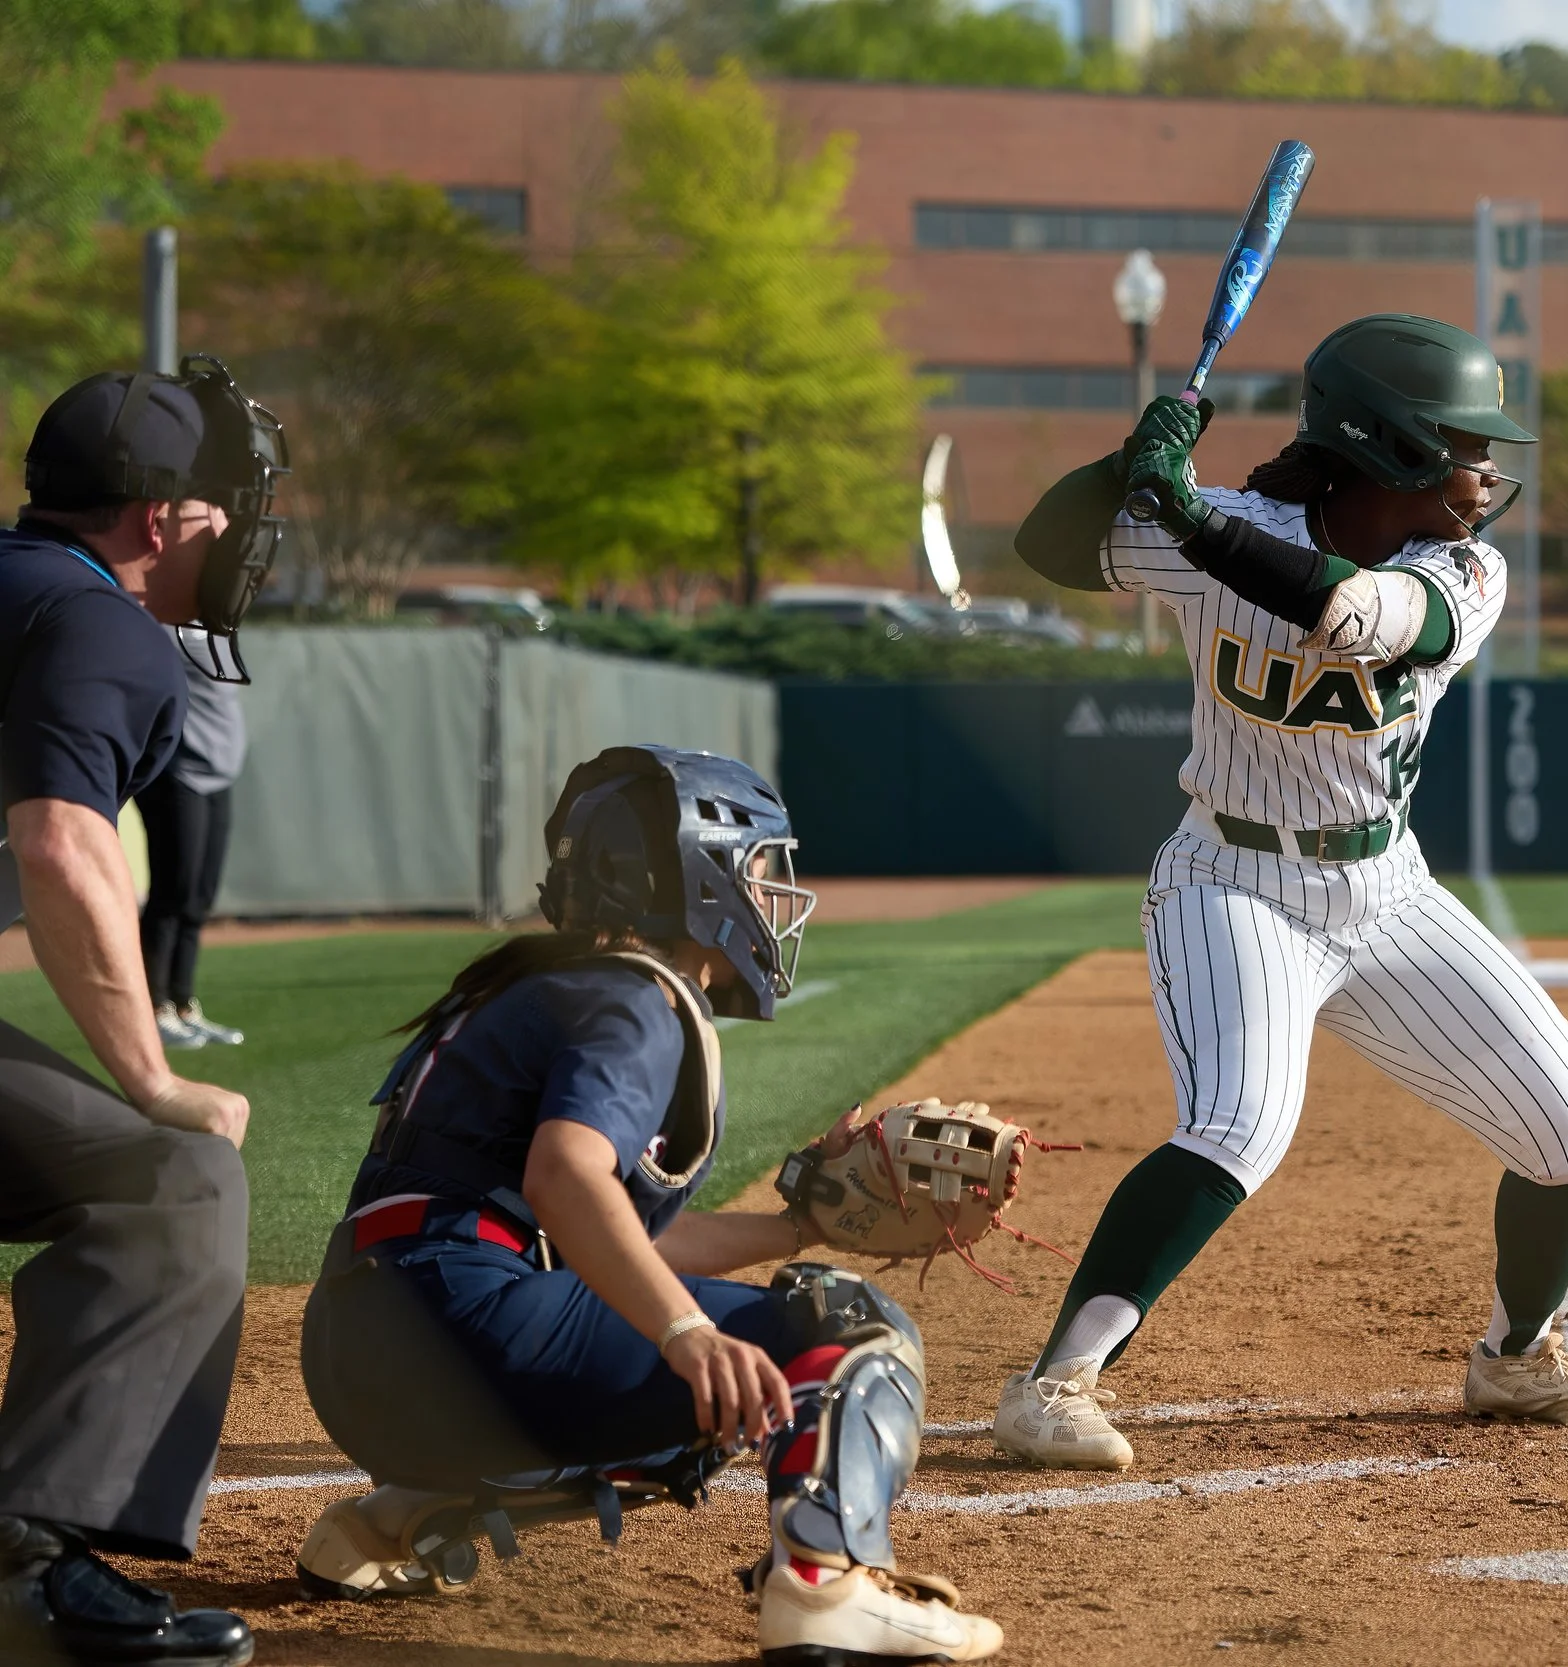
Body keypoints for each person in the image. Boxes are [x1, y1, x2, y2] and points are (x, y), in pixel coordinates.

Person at [991, 314, 1568, 1473]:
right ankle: (1054, 1384)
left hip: (1386, 887)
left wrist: (1183, 514)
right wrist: (1128, 464)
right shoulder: (1229, 528)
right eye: (1458, 441)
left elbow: (1353, 615)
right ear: (1386, 442)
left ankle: (1515, 1355)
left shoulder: (1461, 569)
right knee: (1237, 1125)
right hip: (1230, 880)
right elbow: (1047, 547)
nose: (1483, 469)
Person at [293, 744, 1001, 1665]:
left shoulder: (540, 982)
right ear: (695, 876)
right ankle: (827, 1584)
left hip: (356, 1352)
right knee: (847, 1328)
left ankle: (399, 1517)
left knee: (687, 1335)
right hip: (473, 1328)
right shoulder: (638, 1000)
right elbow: (566, 1177)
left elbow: (608, 1238)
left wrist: (801, 1224)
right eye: (755, 866)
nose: (770, 893)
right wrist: (684, 1332)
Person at [0, 361, 284, 1666]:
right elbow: (64, 844)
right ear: (159, 519)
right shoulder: (104, 624)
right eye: (227, 507)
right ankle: (31, 1563)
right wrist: (154, 1074)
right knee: (169, 1178)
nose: (244, 532)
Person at [138, 625, 250, 1049]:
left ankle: (184, 1005)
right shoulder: (162, 626)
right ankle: (154, 1009)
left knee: (198, 899)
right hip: (177, 774)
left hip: (219, 775)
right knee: (172, 894)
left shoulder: (220, 628)